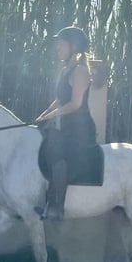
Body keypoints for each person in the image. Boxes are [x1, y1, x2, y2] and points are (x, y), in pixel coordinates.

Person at [34, 26, 98, 220]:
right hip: (67, 125)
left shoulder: (80, 71)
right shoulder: (65, 69)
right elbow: (60, 98)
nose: (57, 49)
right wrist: (44, 113)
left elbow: (76, 104)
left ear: (74, 47)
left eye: (61, 45)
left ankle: (56, 207)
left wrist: (53, 115)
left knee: (57, 152)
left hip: (80, 128)